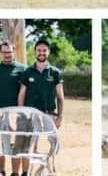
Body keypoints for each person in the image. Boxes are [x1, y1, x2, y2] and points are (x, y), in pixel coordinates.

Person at [16, 39, 64, 173]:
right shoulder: (27, 72)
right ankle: (32, 170)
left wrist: (60, 116)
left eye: (44, 50)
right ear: (35, 52)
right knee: (32, 142)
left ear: (48, 52)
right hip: (31, 114)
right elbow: (21, 94)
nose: (41, 53)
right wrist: (22, 114)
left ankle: (46, 165)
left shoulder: (55, 72)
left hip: (50, 114)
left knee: (54, 143)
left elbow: (60, 96)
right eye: (39, 50)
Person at [0, 42, 27, 176]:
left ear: (14, 52)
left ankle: (16, 173)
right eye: (4, 52)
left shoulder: (23, 69)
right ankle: (2, 171)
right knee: (2, 145)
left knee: (18, 144)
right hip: (0, 114)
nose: (7, 55)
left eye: (9, 52)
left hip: (18, 114)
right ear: (1, 53)